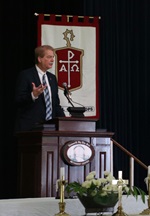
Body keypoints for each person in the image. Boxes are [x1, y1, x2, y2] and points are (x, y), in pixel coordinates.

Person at [15, 45, 65, 132]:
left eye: (53, 57)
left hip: (50, 128)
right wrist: (33, 95)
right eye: (49, 57)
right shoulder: (26, 75)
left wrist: (65, 122)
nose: (53, 60)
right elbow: (18, 100)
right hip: (30, 128)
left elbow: (56, 104)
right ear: (39, 59)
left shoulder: (52, 78)